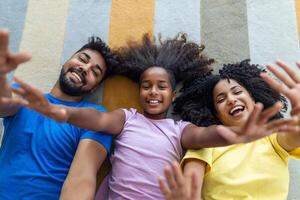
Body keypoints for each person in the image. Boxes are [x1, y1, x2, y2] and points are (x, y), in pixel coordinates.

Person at [5, 35, 298, 200]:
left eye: (161, 87)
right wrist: (66, 113)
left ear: (172, 96)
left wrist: (237, 135)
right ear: (138, 92)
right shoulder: (126, 118)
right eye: (146, 86)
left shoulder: (180, 129)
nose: (153, 92)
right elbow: (100, 122)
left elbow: (205, 136)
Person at [0, 29, 118, 199]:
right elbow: (4, 105)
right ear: (67, 62)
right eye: (82, 59)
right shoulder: (24, 94)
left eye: (95, 72)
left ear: (94, 88)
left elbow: (82, 179)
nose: (84, 68)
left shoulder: (93, 118)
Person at [159, 59, 300, 200]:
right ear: (216, 114)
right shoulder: (206, 147)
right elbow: (189, 191)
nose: (231, 100)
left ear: (254, 99)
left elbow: (295, 135)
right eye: (221, 99)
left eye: (237, 92)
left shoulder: (271, 137)